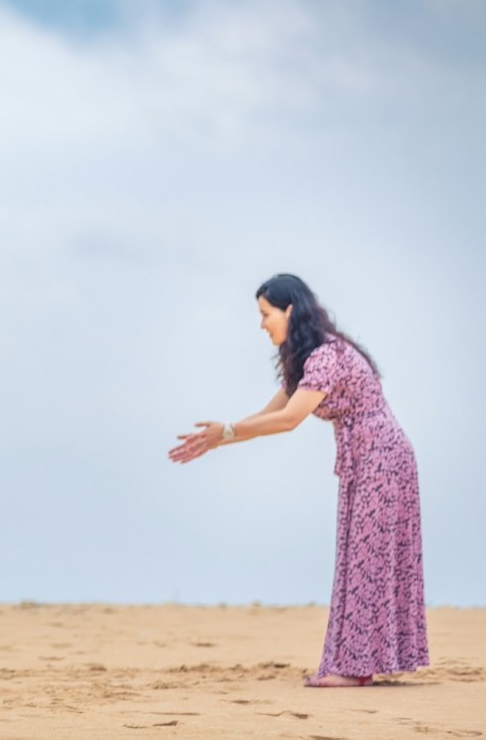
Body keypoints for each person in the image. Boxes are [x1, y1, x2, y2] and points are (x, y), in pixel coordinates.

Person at [168, 274, 429, 687]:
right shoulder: (308, 358)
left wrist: (228, 431)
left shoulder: (326, 355)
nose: (261, 324)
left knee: (366, 561)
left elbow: (289, 420)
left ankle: (354, 669)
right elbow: (267, 413)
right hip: (366, 458)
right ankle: (357, 664)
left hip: (382, 458)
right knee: (357, 559)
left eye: (265, 314)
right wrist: (217, 439)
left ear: (290, 310)